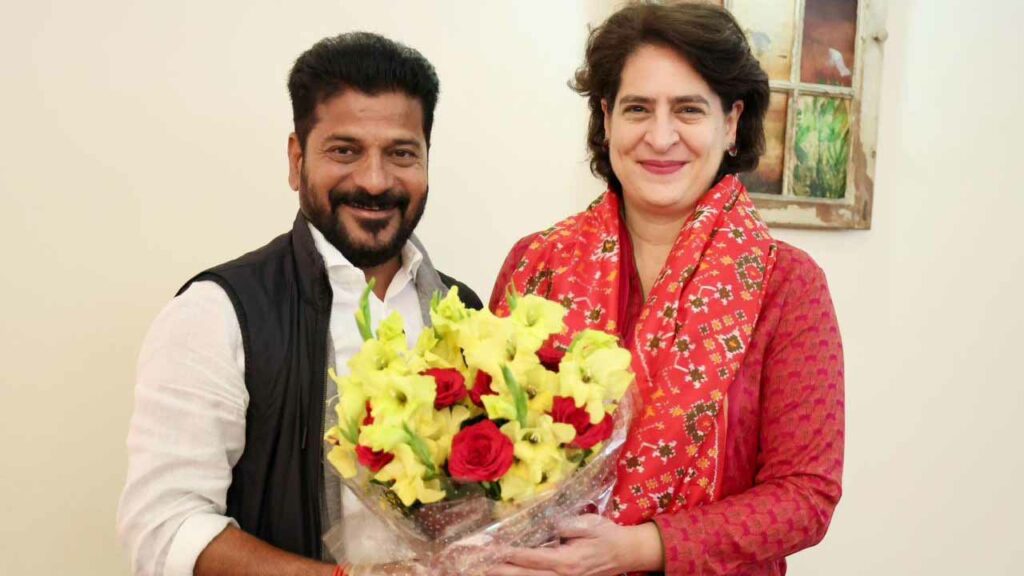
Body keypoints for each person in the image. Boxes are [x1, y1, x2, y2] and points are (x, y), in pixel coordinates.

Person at [487, 2, 844, 575]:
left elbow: (806, 496)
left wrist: (638, 548)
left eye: (687, 110)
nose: (660, 136)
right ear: (606, 120)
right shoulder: (537, 265)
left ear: (730, 123)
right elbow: (481, 452)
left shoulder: (786, 285)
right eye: (637, 108)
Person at [117, 32, 482, 576]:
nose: (375, 180)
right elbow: (163, 528)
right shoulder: (217, 313)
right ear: (296, 159)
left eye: (401, 153)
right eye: (344, 150)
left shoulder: (467, 313)